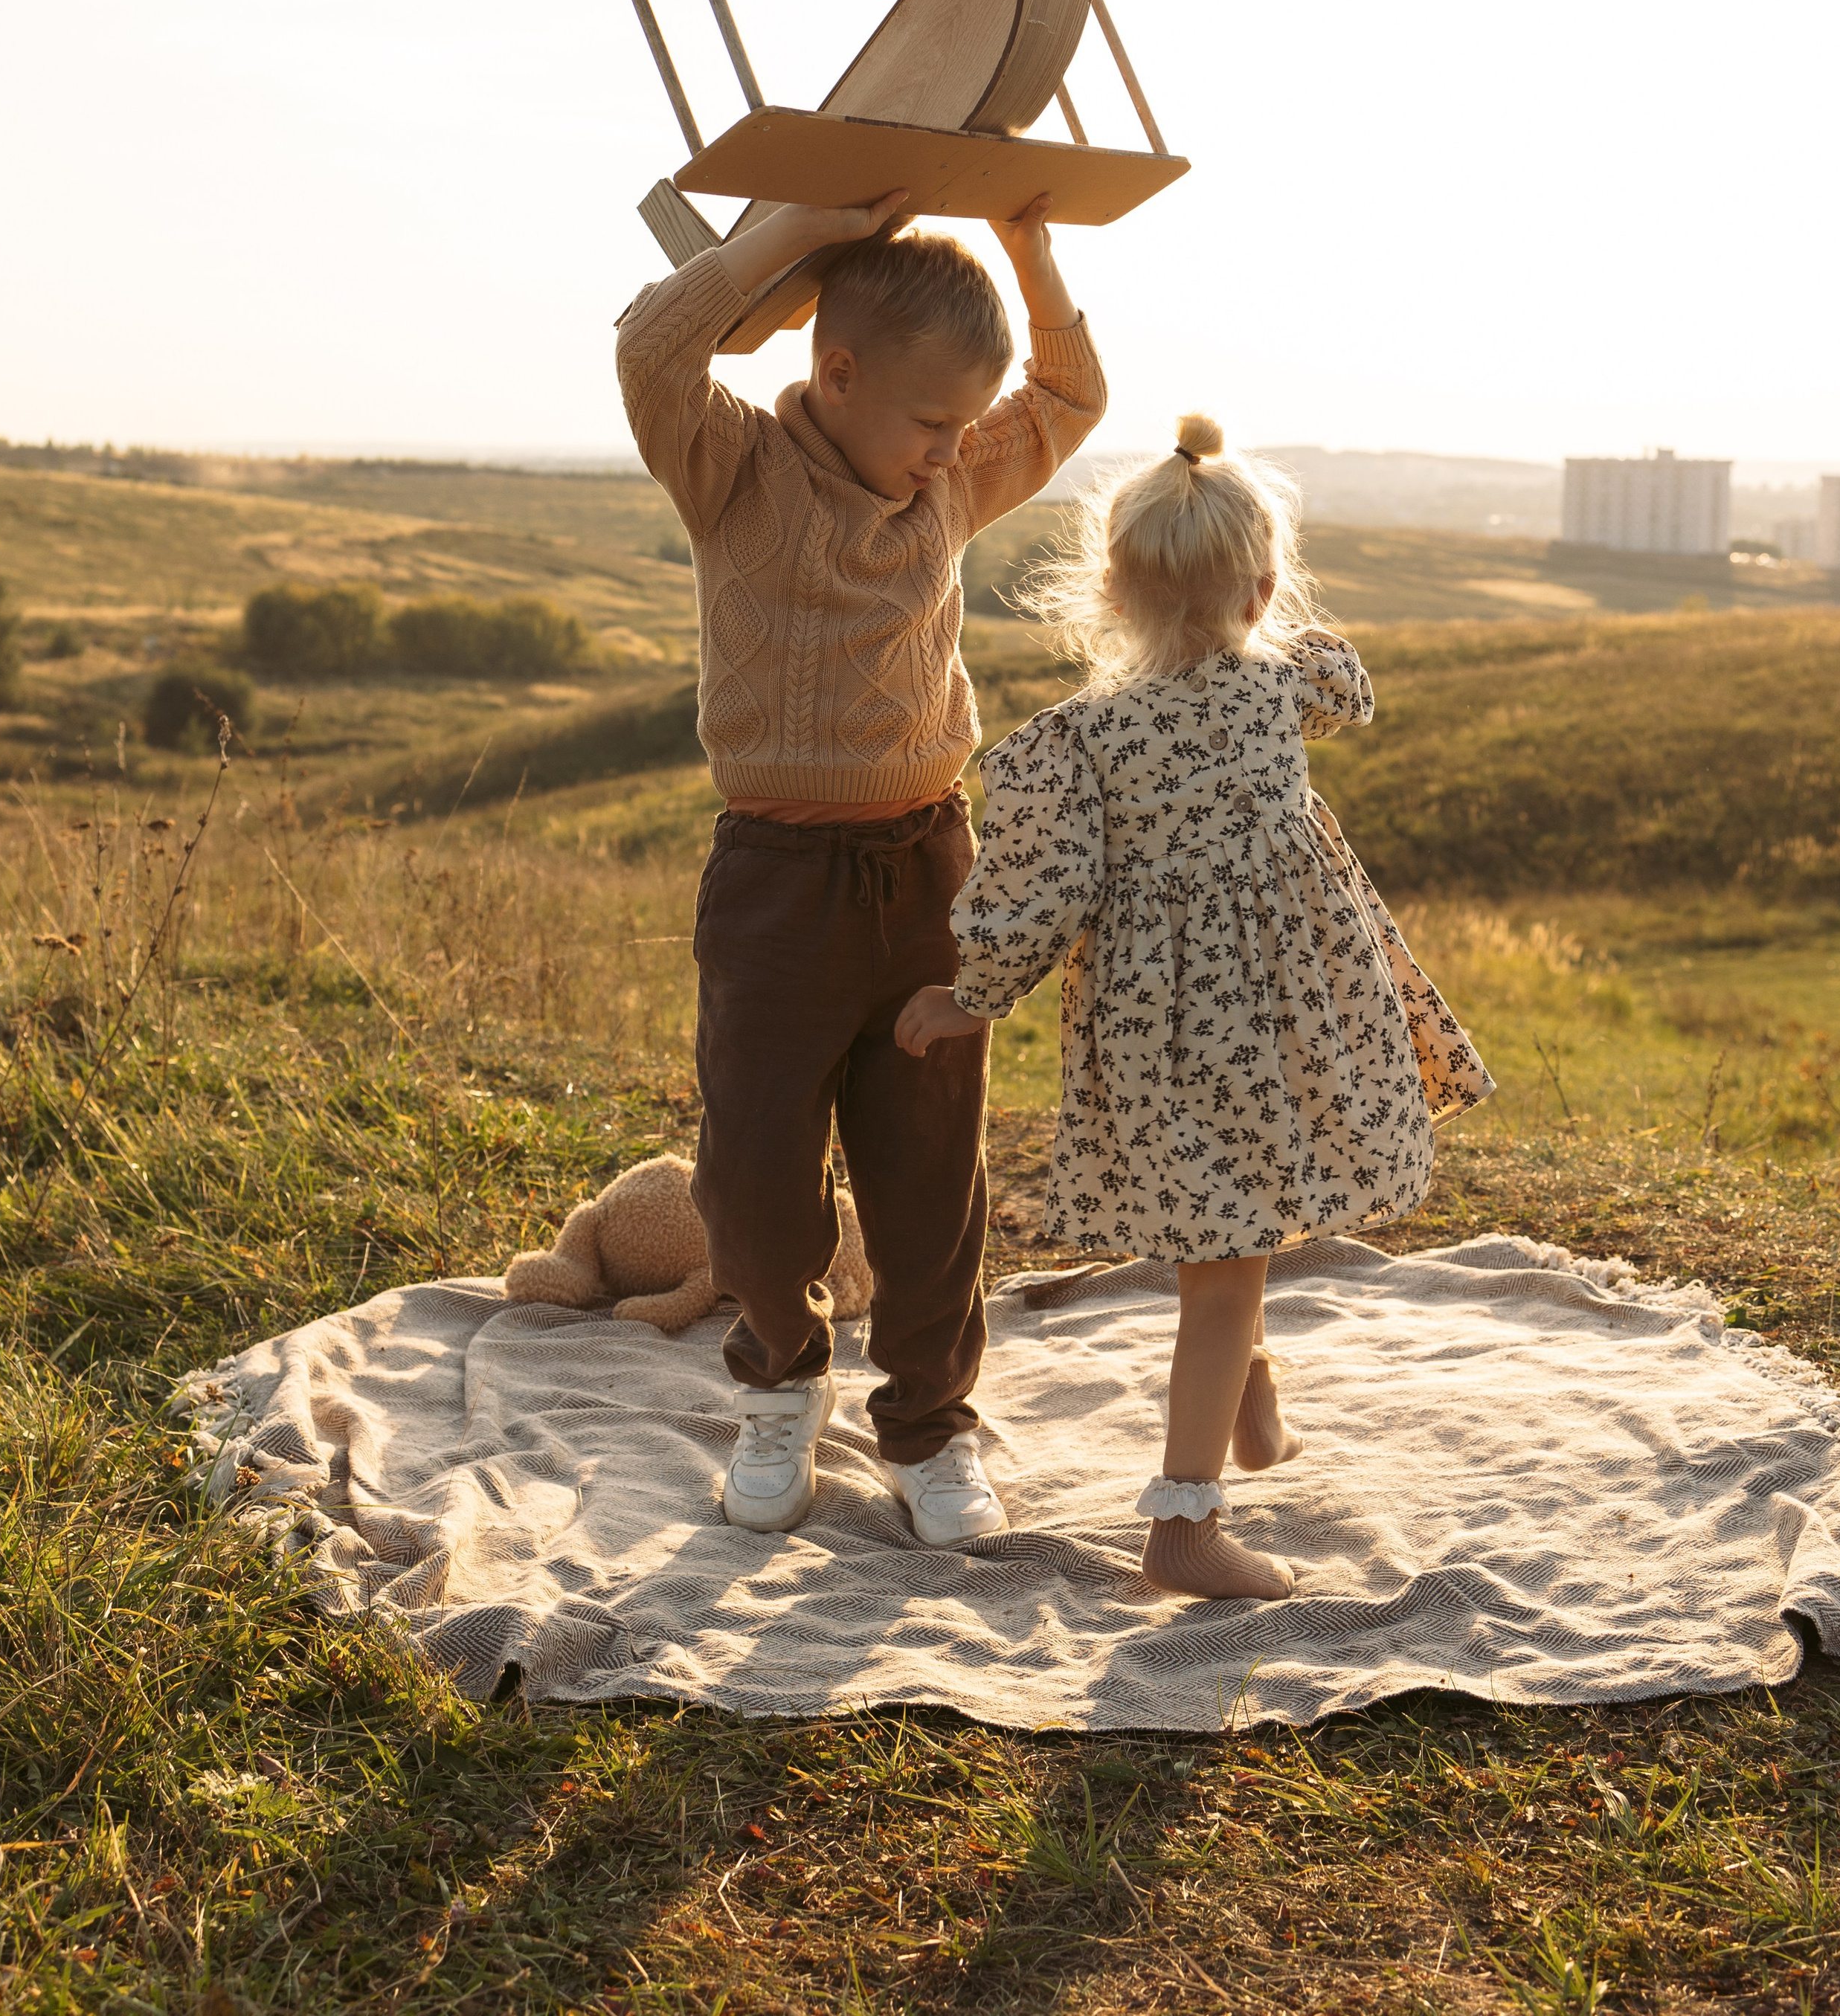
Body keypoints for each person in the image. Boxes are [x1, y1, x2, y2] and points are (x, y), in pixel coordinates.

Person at [895, 414, 1493, 1600]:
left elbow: (1041, 891)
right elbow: (1349, 687)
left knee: (1223, 1226)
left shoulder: (1086, 741)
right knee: (1227, 1252)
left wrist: (974, 995)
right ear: (1263, 586)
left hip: (1165, 1033)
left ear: (1108, 592)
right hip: (1296, 1019)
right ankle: (1183, 1526)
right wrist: (1268, 613)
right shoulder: (1285, 685)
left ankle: (1248, 1385)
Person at [616, 189, 1107, 1545]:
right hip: (775, 879)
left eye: (964, 424)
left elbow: (1072, 397)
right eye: (932, 420)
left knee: (929, 1176)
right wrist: (787, 232)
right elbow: (654, 352)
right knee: (756, 1177)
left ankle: (930, 1431)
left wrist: (1028, 246)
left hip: (929, 867)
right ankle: (781, 1391)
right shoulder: (733, 469)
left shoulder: (943, 481)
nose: (956, 449)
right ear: (834, 376)